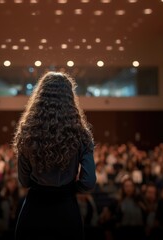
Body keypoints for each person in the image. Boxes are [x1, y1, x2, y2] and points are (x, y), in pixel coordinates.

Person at [13, 71, 96, 240]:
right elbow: (88, 182)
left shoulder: (27, 132)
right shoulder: (81, 134)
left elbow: (24, 180)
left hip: (34, 210)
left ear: (40, 96)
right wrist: (70, 189)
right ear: (70, 98)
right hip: (66, 210)